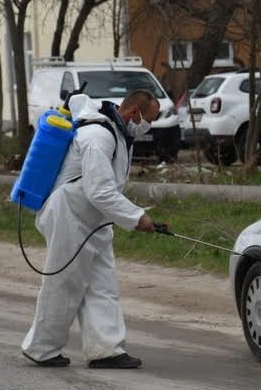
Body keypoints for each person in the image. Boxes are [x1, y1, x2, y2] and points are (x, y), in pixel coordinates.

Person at [21, 89, 159, 369]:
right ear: (133, 112)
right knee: (64, 283)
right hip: (68, 214)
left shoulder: (118, 135)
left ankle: (105, 350)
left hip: (93, 220)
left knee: (103, 284)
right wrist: (137, 218)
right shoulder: (98, 135)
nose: (148, 126)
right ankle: (41, 349)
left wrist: (130, 216)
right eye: (148, 120)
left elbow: (103, 190)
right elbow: (99, 190)